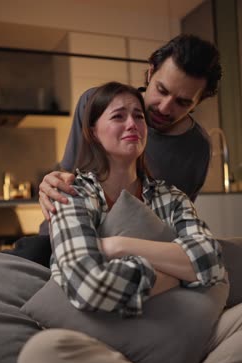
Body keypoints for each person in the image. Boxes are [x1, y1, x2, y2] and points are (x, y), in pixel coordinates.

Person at [17, 82, 238, 363]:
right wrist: (172, 275)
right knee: (40, 361)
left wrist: (119, 246)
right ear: (92, 132)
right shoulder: (70, 195)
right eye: (117, 116)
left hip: (182, 338)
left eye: (138, 115)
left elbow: (210, 260)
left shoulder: (171, 198)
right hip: (101, 352)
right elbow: (89, 287)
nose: (132, 123)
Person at [38, 33, 222, 226]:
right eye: (162, 90)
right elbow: (66, 177)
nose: (164, 108)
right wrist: (51, 183)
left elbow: (175, 222)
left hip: (140, 246)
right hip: (69, 229)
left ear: (197, 103)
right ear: (151, 72)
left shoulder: (197, 148)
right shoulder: (94, 103)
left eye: (182, 102)